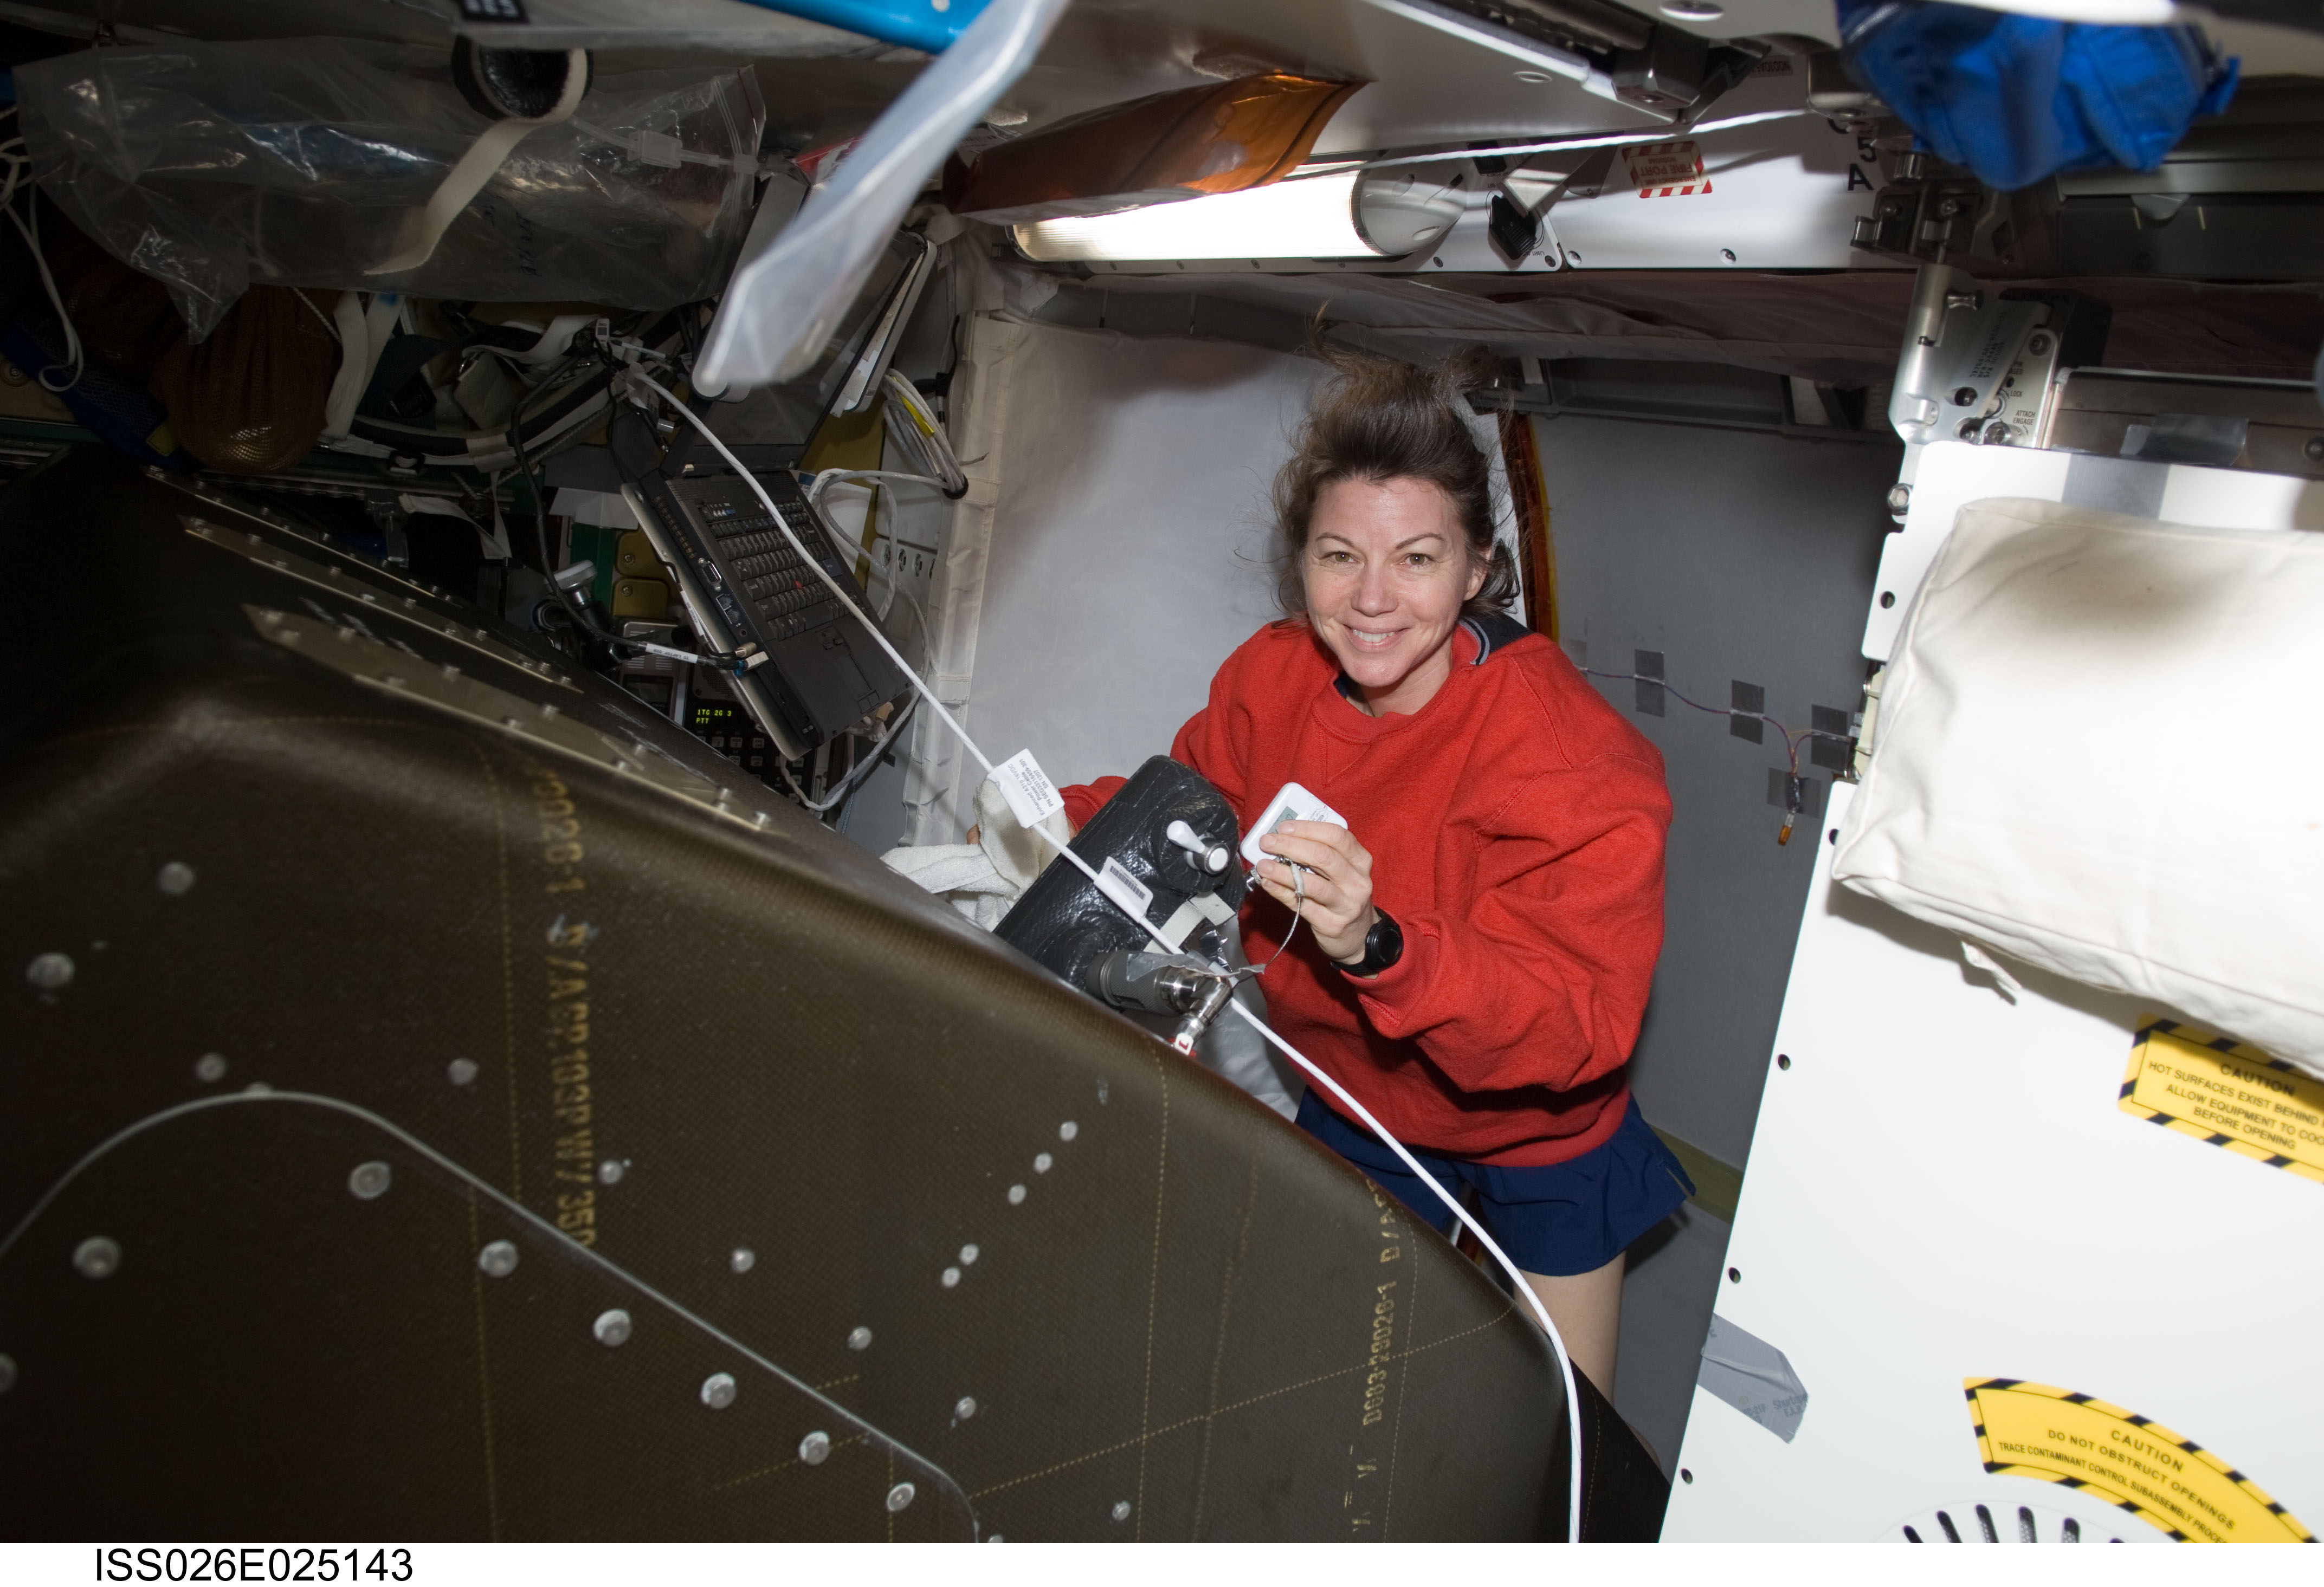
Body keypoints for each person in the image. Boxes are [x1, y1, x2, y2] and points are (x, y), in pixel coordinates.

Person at [1060, 349, 1686, 1395]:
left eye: (1417, 558)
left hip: (1537, 1136)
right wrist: (1045, 822)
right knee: (1332, 1394)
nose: (1372, 599)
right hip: (1361, 1106)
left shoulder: (1572, 758)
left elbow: (1575, 1026)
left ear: (1477, 569)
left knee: (1561, 1433)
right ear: (1300, 561)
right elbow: (1195, 804)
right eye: (1340, 556)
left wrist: (1376, 943)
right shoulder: (1272, 676)